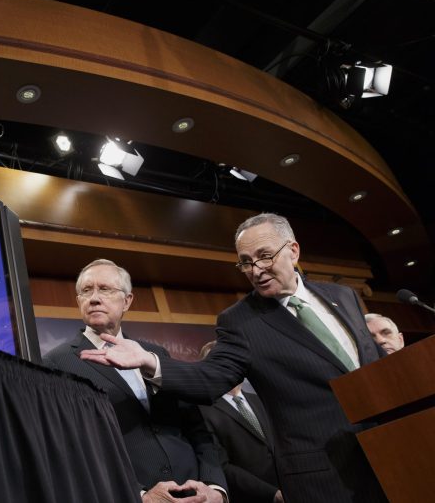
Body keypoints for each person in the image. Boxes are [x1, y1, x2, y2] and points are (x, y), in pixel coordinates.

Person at [80, 213, 387, 503]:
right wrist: (150, 362)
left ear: (293, 251)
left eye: (265, 256)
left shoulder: (343, 296)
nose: (256, 270)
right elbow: (209, 378)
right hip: (325, 473)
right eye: (246, 262)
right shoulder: (241, 321)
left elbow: (375, 364)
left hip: (390, 449)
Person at [44, 259, 228, 502]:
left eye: (105, 289)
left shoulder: (156, 355)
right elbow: (71, 447)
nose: (94, 298)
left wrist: (216, 488)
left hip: (196, 494)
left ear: (127, 301)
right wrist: (138, 495)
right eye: (86, 291)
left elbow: (196, 428)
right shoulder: (57, 362)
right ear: (79, 302)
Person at [197, 341, 282, 503]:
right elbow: (222, 465)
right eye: (220, 362)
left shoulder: (260, 400)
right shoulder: (202, 410)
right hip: (252, 497)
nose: (230, 367)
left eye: (234, 361)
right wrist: (272, 493)